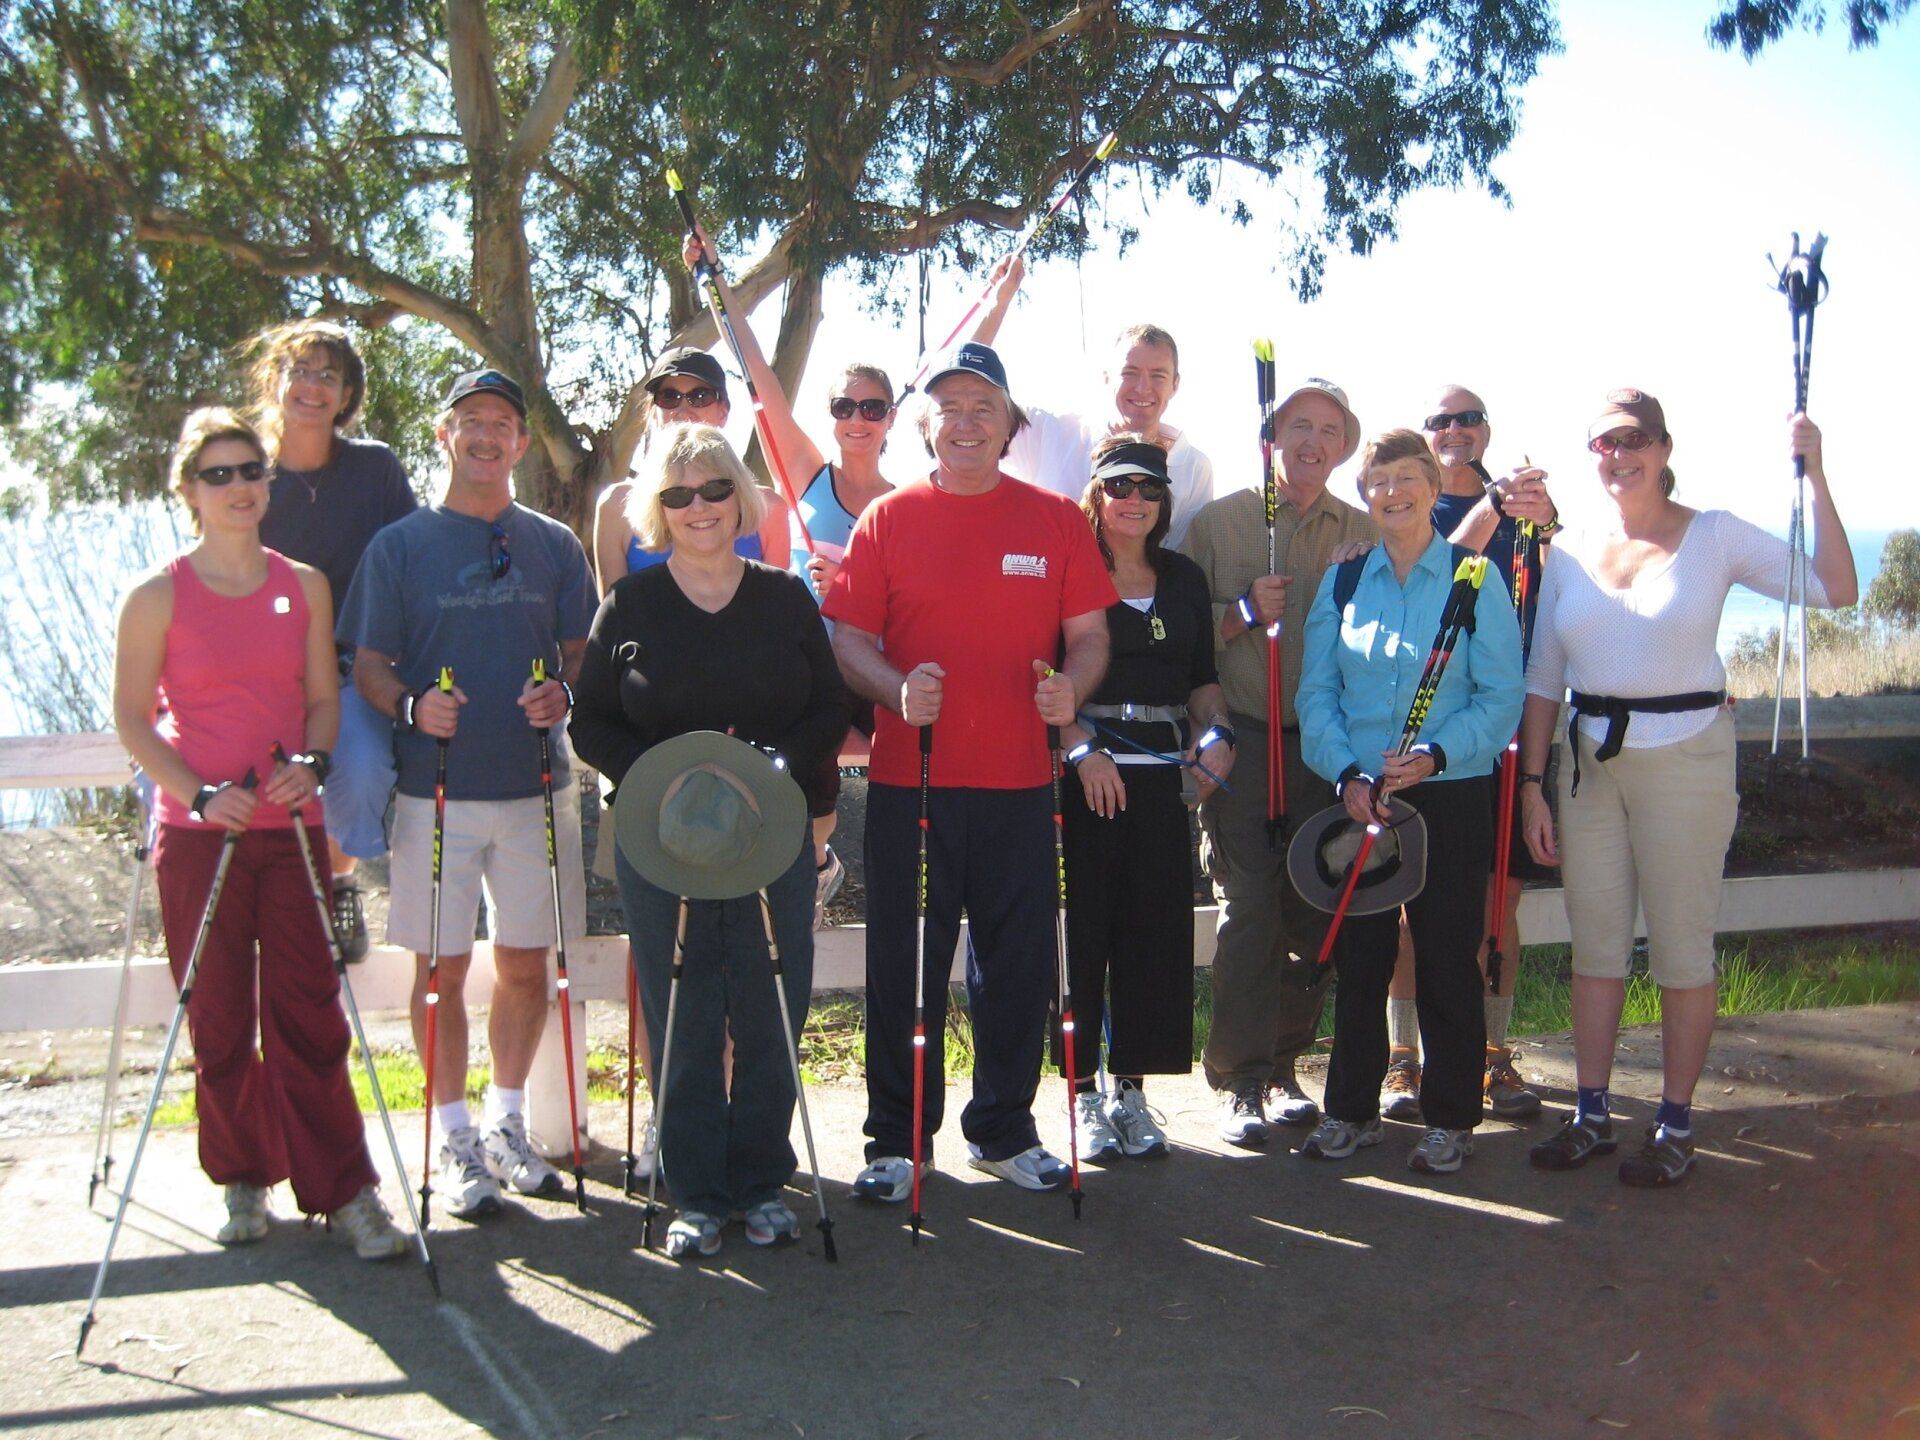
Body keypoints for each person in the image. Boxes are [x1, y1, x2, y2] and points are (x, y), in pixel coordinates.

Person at [1521, 390, 1856, 1186]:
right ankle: (1592, 1114)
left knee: (1680, 947)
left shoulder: (1715, 535)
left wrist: (1815, 474)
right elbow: (1544, 679)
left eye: (1635, 439)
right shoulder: (1564, 552)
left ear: (1665, 449)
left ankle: (1674, 1124)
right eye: (1603, 442)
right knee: (1595, 946)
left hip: (1687, 762)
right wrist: (1534, 785)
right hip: (1588, 767)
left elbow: (1836, 588)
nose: (1618, 454)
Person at [112, 406, 407, 1260]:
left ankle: (344, 1191)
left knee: (309, 1011)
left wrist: (313, 764)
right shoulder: (156, 596)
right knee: (217, 1013)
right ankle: (243, 1178)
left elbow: (323, 699)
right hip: (200, 834)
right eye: (220, 475)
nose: (240, 487)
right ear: (189, 491)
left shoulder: (304, 583)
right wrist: (199, 795)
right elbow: (132, 720)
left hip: (292, 826)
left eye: (252, 472)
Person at [824, 341, 1117, 1196]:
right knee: (905, 967)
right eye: (949, 407)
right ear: (928, 425)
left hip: (1023, 786)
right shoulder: (887, 520)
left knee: (1018, 964)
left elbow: (1092, 636)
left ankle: (1002, 1129)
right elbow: (849, 639)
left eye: (983, 407)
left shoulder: (1056, 520)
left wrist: (1072, 688)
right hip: (910, 784)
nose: (965, 422)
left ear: (1009, 425)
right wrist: (894, 686)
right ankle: (897, 1140)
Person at [569, 425, 849, 1258]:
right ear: (657, 509)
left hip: (773, 833)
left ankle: (761, 1183)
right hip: (664, 844)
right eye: (679, 494)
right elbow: (592, 722)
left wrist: (773, 769)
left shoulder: (783, 597)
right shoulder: (629, 605)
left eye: (716, 489)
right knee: (682, 1008)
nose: (699, 508)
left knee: (770, 1002)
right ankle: (694, 1191)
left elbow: (827, 710)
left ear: (741, 497)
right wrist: (666, 780)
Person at [340, 368, 597, 1220]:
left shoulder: (555, 545)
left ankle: (506, 1124)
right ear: (444, 436)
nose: (486, 436)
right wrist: (414, 706)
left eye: (502, 423)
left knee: (528, 965)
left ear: (521, 443)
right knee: (440, 971)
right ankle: (452, 1138)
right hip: (433, 794)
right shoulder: (399, 546)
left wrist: (561, 692)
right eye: (470, 422)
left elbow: (578, 653)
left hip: (537, 788)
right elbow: (368, 664)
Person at [1294, 428, 1524, 1174]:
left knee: (1446, 956)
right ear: (1366, 497)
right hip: (1359, 797)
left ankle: (1452, 1116)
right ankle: (1350, 1111)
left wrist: (1436, 755)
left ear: (1433, 484)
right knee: (1361, 960)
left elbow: (1500, 699)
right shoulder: (1343, 581)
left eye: (1405, 478)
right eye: (1378, 482)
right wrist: (1347, 777)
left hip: (1447, 796)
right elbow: (1317, 694)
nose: (1392, 493)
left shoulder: (1474, 579)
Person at [676, 225, 896, 924]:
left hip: (873, 666)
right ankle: (810, 866)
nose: (855, 419)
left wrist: (856, 590)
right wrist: (715, 283)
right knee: (796, 778)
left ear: (890, 417)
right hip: (807, 667)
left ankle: (873, 878)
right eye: (842, 406)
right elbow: (759, 382)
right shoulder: (806, 474)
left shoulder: (905, 503)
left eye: (871, 407)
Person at [1180, 377, 1376, 1146]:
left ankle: (1287, 1065)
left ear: (1344, 446)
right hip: (1245, 742)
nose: (1312, 441)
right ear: (1272, 436)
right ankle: (1239, 1079)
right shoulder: (1222, 524)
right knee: (1250, 914)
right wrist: (1241, 613)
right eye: (1299, 425)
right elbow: (1183, 636)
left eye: (1329, 429)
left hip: (1328, 750)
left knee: (1315, 917)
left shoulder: (1362, 531)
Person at [1379, 387, 1562, 1123]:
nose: (1456, 430)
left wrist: (1548, 526)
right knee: (1403, 899)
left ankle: (1491, 1053)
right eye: (1441, 420)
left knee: (1501, 900)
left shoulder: (1526, 519)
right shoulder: (1418, 511)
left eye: (1469, 418)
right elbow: (1440, 575)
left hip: (1508, 729)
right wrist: (1496, 505)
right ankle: (1402, 1058)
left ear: (1487, 430)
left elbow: (1563, 601)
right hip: (1424, 735)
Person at [1054, 435, 1232, 1162]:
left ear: (1166, 502)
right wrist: (1080, 748)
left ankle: (1132, 1090)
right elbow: (1042, 669)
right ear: (1097, 495)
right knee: (1084, 936)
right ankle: (1084, 1095)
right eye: (1120, 487)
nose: (1135, 501)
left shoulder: (1183, 577)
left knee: (1153, 936)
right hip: (1088, 771)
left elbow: (1202, 677)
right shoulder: (1069, 570)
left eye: (1149, 489)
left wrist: (1219, 732)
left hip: (1161, 778)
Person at [247, 319, 418, 963]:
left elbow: (410, 564)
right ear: (275, 380)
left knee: (368, 768)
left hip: (350, 671)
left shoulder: (375, 469)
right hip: (260, 676)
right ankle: (273, 902)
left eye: (329, 376)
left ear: (347, 396)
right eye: (301, 370)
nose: (313, 387)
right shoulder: (247, 471)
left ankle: (338, 882)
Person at [970, 254, 1215, 548]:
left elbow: (1184, 559)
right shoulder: (1050, 432)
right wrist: (999, 302)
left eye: (1159, 375)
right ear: (1106, 377)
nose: (1143, 388)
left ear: (1175, 384)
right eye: (1130, 372)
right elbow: (971, 387)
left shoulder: (1194, 467)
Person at [591, 347, 792, 589]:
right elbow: (614, 618)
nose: (683, 410)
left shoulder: (769, 509)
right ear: (653, 412)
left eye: (699, 396)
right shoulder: (617, 506)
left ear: (724, 412)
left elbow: (778, 615)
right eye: (669, 397)